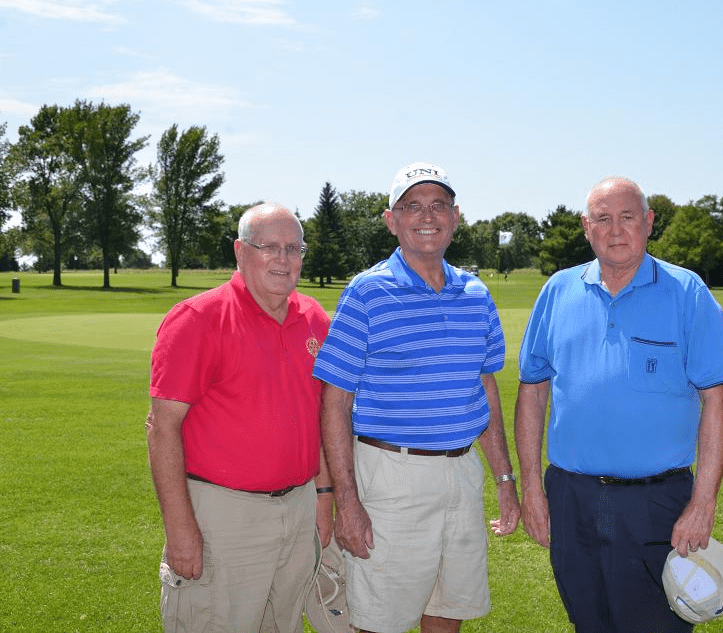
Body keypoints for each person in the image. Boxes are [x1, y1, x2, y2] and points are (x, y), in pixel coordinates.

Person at [514, 176, 723, 632]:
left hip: (658, 502)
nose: (615, 230)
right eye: (603, 218)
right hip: (571, 496)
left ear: (649, 222)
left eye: (627, 217)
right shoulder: (557, 290)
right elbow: (533, 391)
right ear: (586, 226)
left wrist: (703, 503)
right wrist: (534, 489)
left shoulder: (687, 292)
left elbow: (718, 401)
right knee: (588, 623)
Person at [314, 162, 520, 633]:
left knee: (448, 613)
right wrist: (348, 501)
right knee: (378, 622)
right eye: (412, 206)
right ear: (392, 220)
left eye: (438, 205)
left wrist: (504, 479)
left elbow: (484, 388)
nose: (427, 216)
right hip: (391, 478)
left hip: (462, 474)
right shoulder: (366, 293)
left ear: (455, 216)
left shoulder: (476, 293)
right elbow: (335, 402)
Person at [147, 203, 339, 632]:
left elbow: (321, 418)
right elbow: (162, 428)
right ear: (240, 251)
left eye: (294, 248)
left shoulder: (314, 318)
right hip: (223, 515)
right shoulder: (198, 318)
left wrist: (324, 497)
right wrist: (181, 530)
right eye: (268, 247)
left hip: (299, 506)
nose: (283, 259)